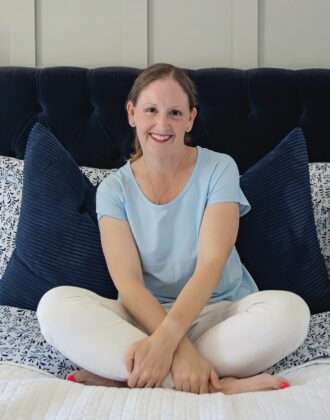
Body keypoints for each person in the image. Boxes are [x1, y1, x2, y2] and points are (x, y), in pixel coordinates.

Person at [37, 63, 311, 395]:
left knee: (291, 314)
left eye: (175, 113)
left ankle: (131, 376)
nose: (162, 124)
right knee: (54, 306)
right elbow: (129, 284)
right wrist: (175, 348)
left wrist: (170, 342)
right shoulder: (113, 190)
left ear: (191, 119)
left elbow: (211, 264)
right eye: (151, 109)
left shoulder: (219, 169)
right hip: (141, 322)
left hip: (219, 314)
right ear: (132, 113)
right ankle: (212, 383)